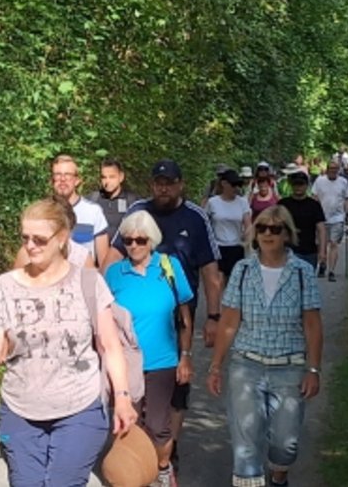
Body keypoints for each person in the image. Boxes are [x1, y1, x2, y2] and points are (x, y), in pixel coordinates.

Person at [0, 198, 137, 487]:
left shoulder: (89, 282)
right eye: (25, 238)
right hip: (20, 410)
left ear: (62, 238)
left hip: (80, 408)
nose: (30, 246)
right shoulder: (5, 286)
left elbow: (109, 344)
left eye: (40, 239)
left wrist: (122, 397)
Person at [111, 160, 222, 469]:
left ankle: (166, 454)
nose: (163, 187)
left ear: (180, 184)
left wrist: (214, 317)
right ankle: (137, 461)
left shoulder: (196, 218)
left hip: (177, 316)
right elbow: (112, 256)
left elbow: (211, 271)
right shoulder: (137, 214)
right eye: (158, 182)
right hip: (133, 320)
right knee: (137, 396)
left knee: (175, 394)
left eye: (169, 182)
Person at [206, 205, 324, 487]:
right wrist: (216, 366)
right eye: (262, 228)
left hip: (290, 367)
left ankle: (279, 473)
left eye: (275, 229)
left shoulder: (302, 272)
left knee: (286, 444)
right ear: (254, 233)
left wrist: (314, 369)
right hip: (247, 365)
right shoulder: (243, 270)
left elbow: (312, 324)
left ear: (287, 234)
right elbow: (229, 321)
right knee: (246, 445)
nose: (268, 234)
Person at [105, 211, 194, 487]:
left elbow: (185, 317)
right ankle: (131, 476)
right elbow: (102, 318)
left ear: (152, 240)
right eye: (128, 240)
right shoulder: (114, 273)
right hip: (125, 363)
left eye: (140, 240)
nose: (133, 246)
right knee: (127, 423)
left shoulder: (169, 267)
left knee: (158, 425)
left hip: (162, 361)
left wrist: (185, 357)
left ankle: (162, 468)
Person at [17, 154, 109, 269]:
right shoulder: (41, 212)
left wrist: (96, 284)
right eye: (58, 174)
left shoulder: (93, 212)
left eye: (68, 175)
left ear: (77, 180)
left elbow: (104, 262)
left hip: (83, 279)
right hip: (45, 280)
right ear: (52, 180)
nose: (62, 179)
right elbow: (28, 252)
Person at [276, 166, 326, 274]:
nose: (298, 187)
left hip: (309, 251)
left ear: (306, 185)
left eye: (301, 184)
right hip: (287, 251)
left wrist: (322, 251)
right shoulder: (283, 204)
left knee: (307, 283)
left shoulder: (314, 205)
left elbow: (321, 229)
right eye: (295, 184)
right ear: (291, 185)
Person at [205, 170, 252, 285]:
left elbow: (248, 224)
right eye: (233, 185)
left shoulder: (242, 202)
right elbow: (205, 224)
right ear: (224, 184)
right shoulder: (213, 202)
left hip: (236, 247)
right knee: (219, 282)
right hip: (218, 248)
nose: (236, 188)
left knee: (235, 284)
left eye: (238, 185)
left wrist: (249, 240)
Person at [309, 160, 348, 281]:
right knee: (321, 245)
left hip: (337, 218)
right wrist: (313, 212)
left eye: (335, 169)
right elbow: (314, 196)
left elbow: (347, 198)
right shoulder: (320, 181)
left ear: (338, 170)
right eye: (331, 169)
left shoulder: (343, 182)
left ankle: (331, 271)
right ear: (327, 169)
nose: (333, 171)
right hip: (321, 218)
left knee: (334, 244)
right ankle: (322, 264)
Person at [89, 157, 141, 240]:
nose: (107, 181)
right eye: (104, 177)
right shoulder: (92, 200)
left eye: (112, 177)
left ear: (121, 177)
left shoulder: (133, 202)